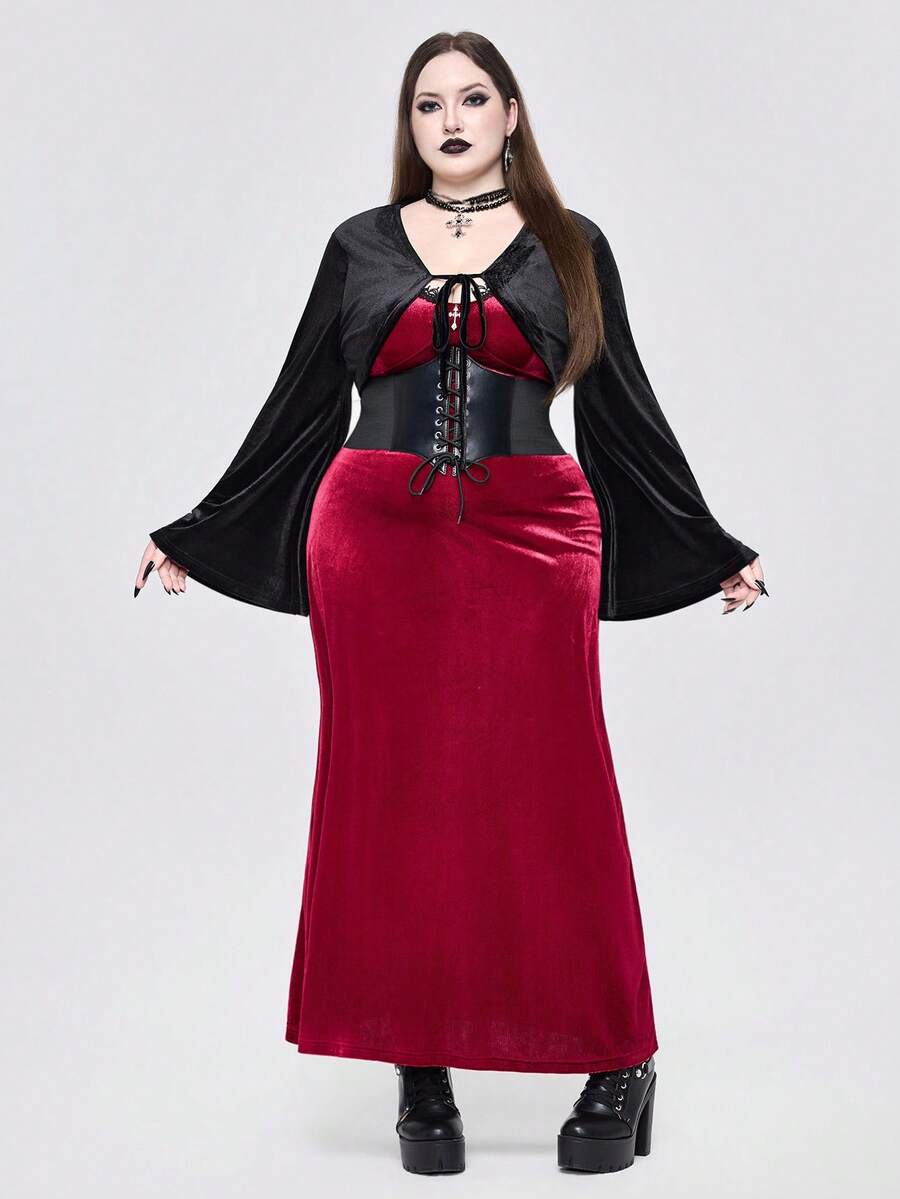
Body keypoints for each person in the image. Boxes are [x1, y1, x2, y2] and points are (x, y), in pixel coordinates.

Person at [135, 31, 767, 1176]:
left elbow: (622, 406)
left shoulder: (573, 245)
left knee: (557, 796)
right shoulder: (361, 244)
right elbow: (299, 402)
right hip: (372, 538)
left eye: (474, 99)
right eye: (429, 104)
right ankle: (417, 1066)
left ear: (512, 115)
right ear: (410, 124)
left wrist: (704, 543)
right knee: (390, 797)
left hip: (538, 535)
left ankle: (619, 1058)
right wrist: (201, 525)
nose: (453, 120)